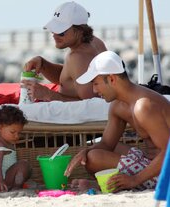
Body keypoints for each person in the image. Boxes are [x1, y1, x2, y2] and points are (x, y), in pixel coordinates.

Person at [64, 51, 170, 192]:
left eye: (96, 83)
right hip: (151, 161)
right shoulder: (118, 106)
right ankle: (109, 184)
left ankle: (110, 185)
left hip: (165, 172)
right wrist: (85, 151)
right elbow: (107, 144)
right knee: (94, 151)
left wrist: (134, 180)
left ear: (112, 79)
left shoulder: (144, 106)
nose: (94, 90)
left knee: (94, 158)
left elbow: (168, 151)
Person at [23, 1, 107, 102]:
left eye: (61, 32)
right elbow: (70, 78)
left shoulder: (78, 57)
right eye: (53, 30)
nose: (54, 35)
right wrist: (43, 64)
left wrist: (49, 95)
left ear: (80, 30)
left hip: (75, 117)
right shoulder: (94, 42)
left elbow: (92, 105)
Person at [0, 105, 31, 192]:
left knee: (27, 168)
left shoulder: (8, 142)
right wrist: (0, 182)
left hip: (4, 181)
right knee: (23, 165)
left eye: (19, 133)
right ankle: (16, 187)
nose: (17, 136)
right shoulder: (0, 145)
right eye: (13, 132)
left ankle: (16, 185)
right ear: (0, 128)